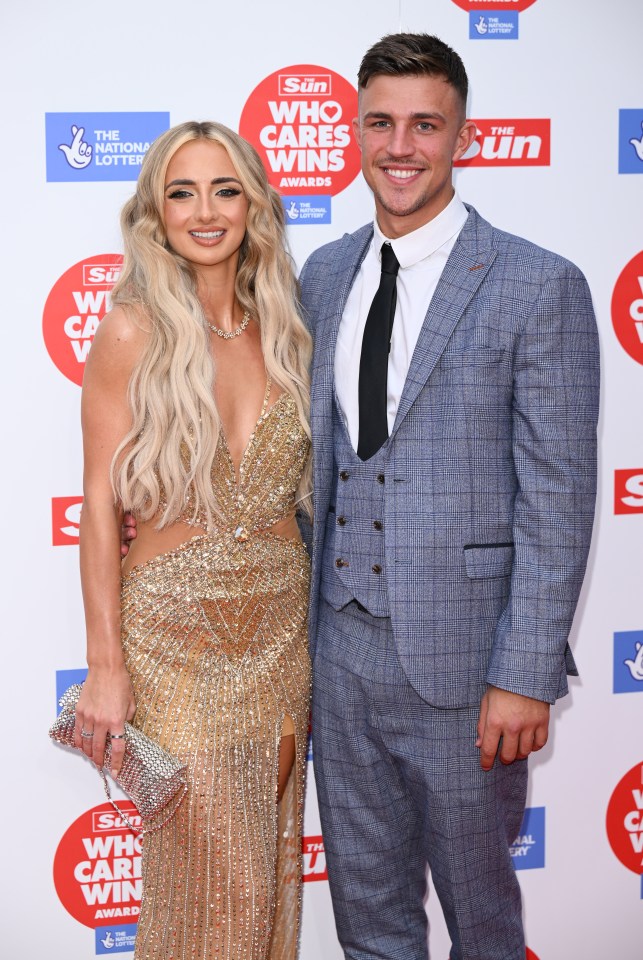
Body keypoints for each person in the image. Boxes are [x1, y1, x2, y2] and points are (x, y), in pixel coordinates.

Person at [297, 33, 600, 960]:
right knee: (369, 919)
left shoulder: (536, 283)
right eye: (380, 122)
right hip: (337, 659)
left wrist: (523, 673)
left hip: (468, 672)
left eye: (424, 124)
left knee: (481, 922)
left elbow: (558, 498)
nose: (400, 146)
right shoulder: (321, 275)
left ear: (461, 133)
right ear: (354, 130)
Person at [74, 120, 312, 960]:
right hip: (176, 643)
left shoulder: (287, 326)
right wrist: (107, 668)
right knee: (211, 882)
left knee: (264, 885)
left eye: (224, 189)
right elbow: (98, 508)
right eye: (182, 192)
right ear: (156, 213)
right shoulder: (133, 329)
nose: (205, 211)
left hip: (282, 639)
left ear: (253, 203)